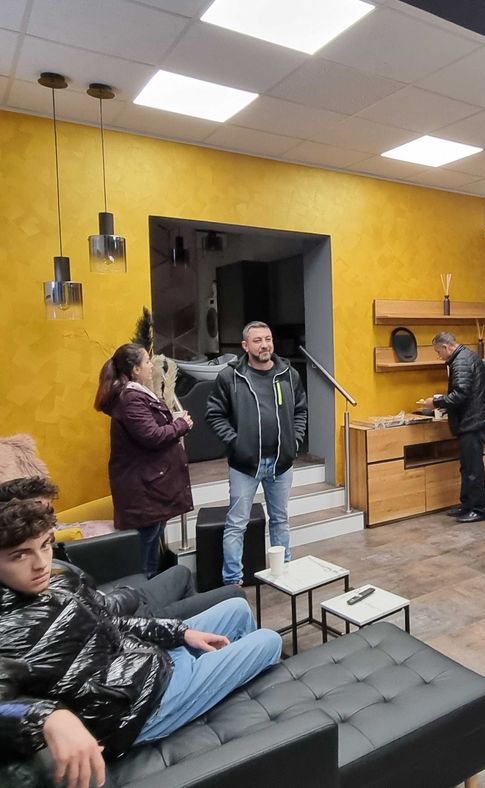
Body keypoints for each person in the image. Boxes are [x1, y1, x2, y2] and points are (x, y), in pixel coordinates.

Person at [0, 476, 281, 788]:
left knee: (237, 609)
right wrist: (47, 716)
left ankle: (233, 693)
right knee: (269, 640)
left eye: (44, 546)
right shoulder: (6, 628)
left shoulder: (58, 581)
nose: (40, 563)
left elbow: (110, 622)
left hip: (145, 664)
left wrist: (180, 633)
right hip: (140, 709)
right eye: (20, 555)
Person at [206, 322, 307, 585]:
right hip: (245, 465)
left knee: (280, 520)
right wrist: (236, 443)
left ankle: (283, 572)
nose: (264, 345)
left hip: (281, 463)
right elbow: (214, 414)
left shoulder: (288, 374)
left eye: (268, 339)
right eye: (258, 340)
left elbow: (300, 410)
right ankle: (233, 581)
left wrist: (294, 441)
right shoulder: (230, 377)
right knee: (236, 524)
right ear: (245, 346)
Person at [94, 343, 194, 578]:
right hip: (143, 489)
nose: (151, 365)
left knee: (151, 543)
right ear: (135, 369)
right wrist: (181, 425)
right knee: (144, 552)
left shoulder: (135, 395)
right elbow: (152, 436)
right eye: (147, 361)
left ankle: (150, 589)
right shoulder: (130, 399)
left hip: (150, 485)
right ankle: (143, 592)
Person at [422, 332, 485, 523]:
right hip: (473, 419)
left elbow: (460, 393)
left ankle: (479, 510)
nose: (439, 356)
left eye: (438, 352)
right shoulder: (466, 357)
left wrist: (436, 403)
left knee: (473, 469)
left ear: (446, 347)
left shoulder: (460, 361)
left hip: (471, 422)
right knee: (467, 467)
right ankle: (467, 506)